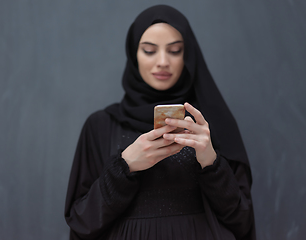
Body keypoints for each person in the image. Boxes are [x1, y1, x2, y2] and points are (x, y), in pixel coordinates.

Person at [65, 5, 256, 240]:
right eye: (149, 51)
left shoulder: (208, 124)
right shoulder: (100, 125)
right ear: (134, 54)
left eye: (175, 51)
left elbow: (242, 221)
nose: (163, 61)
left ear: (188, 55)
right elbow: (82, 221)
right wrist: (125, 166)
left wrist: (210, 162)